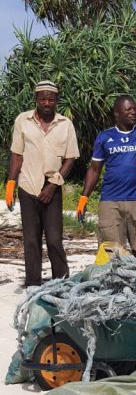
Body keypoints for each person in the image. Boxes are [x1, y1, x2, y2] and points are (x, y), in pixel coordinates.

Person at [6, 80, 79, 287]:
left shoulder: (65, 124)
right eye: (42, 99)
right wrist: (11, 184)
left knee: (54, 239)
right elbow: (17, 155)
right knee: (31, 240)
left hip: (52, 186)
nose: (47, 103)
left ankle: (62, 284)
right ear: (36, 99)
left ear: (57, 100)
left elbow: (70, 159)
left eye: (51, 99)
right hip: (28, 184)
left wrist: (52, 186)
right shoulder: (23, 120)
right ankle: (32, 284)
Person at [76, 95, 136, 257]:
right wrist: (83, 198)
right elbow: (94, 169)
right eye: (128, 109)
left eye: (135, 109)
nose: (133, 112)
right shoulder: (105, 136)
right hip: (110, 202)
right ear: (117, 113)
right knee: (112, 253)